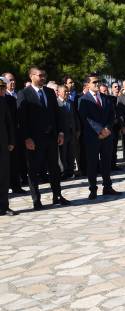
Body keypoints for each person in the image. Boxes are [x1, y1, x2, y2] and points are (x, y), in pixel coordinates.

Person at [17, 67, 71, 209]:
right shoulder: (24, 94)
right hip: (34, 140)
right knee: (33, 170)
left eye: (44, 75)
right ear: (31, 76)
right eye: (40, 75)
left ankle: (57, 196)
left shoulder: (49, 92)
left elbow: (56, 114)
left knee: (54, 169)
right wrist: (27, 138)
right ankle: (37, 200)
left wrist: (60, 132)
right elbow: (22, 120)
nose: (43, 77)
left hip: (51, 138)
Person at [78, 73, 121, 199]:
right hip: (93, 136)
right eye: (94, 82)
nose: (97, 84)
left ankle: (107, 186)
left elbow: (112, 115)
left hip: (107, 135)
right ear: (87, 84)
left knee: (106, 162)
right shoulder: (83, 99)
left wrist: (107, 128)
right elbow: (85, 118)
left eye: (98, 82)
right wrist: (99, 131)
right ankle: (93, 189)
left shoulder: (106, 98)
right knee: (92, 163)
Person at [0, 78, 16, 216]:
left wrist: (11, 141)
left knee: (4, 176)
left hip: (3, 144)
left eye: (2, 89)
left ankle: (4, 206)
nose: (2, 91)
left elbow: (9, 123)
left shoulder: (3, 102)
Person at [56, 85, 80, 179]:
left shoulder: (70, 102)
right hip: (62, 133)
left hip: (72, 132)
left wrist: (78, 129)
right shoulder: (56, 103)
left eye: (68, 91)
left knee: (71, 153)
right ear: (59, 92)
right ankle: (64, 172)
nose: (67, 93)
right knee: (63, 154)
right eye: (65, 91)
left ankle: (71, 171)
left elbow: (75, 117)